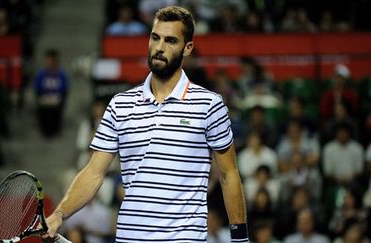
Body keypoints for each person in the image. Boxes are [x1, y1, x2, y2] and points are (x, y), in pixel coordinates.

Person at [45, 6, 248, 243]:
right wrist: (59, 214)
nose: (160, 47)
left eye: (171, 41)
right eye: (155, 37)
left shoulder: (209, 105)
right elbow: (93, 172)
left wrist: (240, 239)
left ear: (187, 48)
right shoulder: (120, 105)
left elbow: (229, 175)